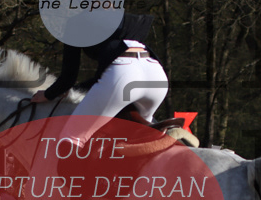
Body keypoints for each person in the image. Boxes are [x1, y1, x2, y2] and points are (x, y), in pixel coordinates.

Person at [29, 12, 168, 143]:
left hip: (123, 74)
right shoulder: (127, 22)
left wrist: (48, 94)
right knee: (138, 138)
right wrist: (74, 89)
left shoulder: (76, 22)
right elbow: (104, 80)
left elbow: (68, 78)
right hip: (156, 73)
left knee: (70, 138)